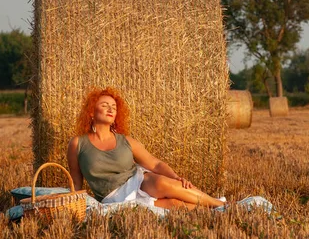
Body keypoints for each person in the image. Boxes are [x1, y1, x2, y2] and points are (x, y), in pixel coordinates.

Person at [67, 87, 226, 211]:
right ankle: (214, 211)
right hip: (112, 197)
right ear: (91, 112)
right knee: (173, 204)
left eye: (114, 107)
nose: (111, 109)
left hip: (137, 181)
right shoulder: (77, 144)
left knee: (162, 182)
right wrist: (74, 207)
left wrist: (176, 177)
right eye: (104, 105)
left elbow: (155, 165)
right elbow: (75, 181)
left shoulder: (126, 141)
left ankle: (221, 205)